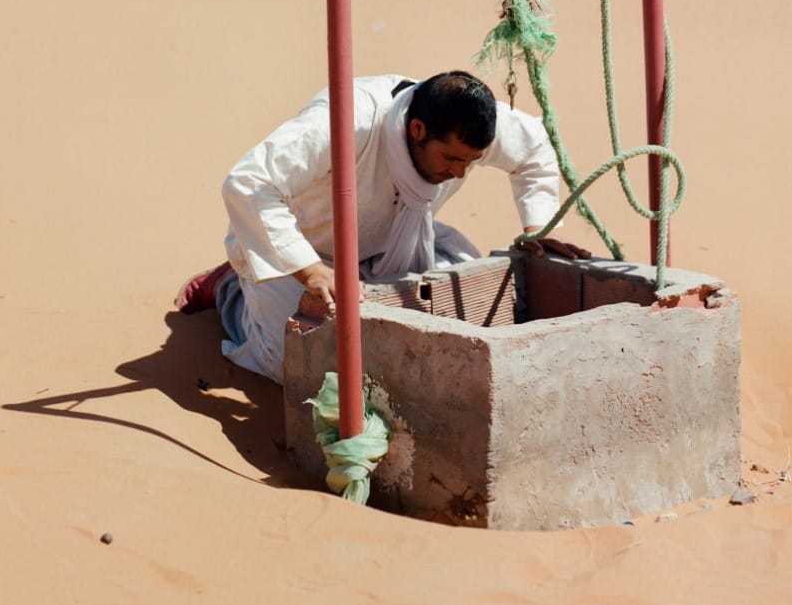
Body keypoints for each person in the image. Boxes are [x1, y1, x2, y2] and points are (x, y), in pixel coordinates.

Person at [176, 70, 587, 384]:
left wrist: (538, 224)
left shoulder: (468, 127)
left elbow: (533, 147)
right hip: (304, 251)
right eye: (451, 159)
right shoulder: (346, 121)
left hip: (398, 242)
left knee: (465, 315)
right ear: (417, 129)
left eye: (471, 161)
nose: (461, 173)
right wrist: (308, 269)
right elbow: (249, 182)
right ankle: (231, 289)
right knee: (301, 365)